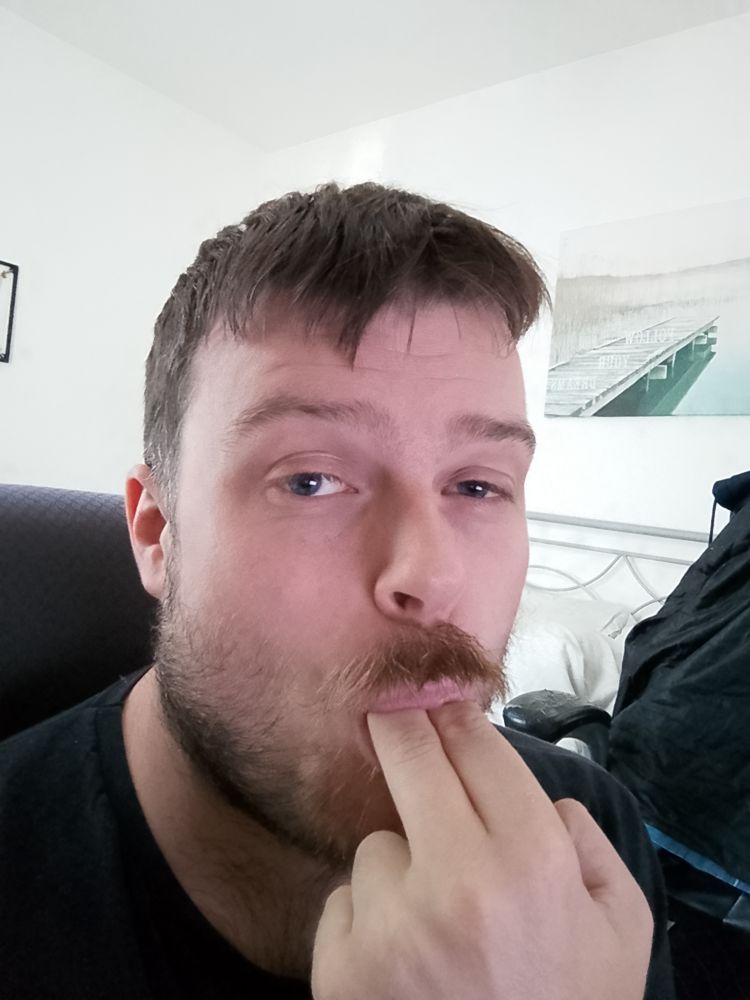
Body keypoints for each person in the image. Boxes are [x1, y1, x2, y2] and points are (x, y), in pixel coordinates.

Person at [0, 183, 674, 999]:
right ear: (158, 533)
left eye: (477, 486)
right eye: (310, 480)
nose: (433, 576)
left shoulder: (590, 841)